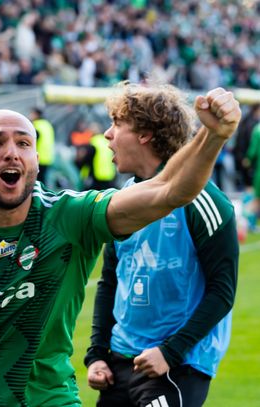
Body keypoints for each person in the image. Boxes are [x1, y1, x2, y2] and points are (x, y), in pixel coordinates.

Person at [0, 84, 241, 406]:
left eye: (23, 143)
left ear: (35, 158)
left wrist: (213, 135)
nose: (11, 152)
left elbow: (169, 190)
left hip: (46, 399)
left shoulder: (71, 216)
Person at [84, 83, 239, 407]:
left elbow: (223, 291)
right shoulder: (122, 200)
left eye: (117, 124)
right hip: (120, 363)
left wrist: (171, 351)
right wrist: (97, 354)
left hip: (175, 365)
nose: (107, 135)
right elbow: (110, 280)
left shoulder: (204, 201)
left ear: (145, 134)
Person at [30, 107, 55, 184]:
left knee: (37, 181)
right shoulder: (47, 125)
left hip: (39, 158)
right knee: (44, 180)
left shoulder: (36, 125)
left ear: (36, 115)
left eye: (32, 114)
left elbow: (33, 141)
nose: (30, 116)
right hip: (48, 157)